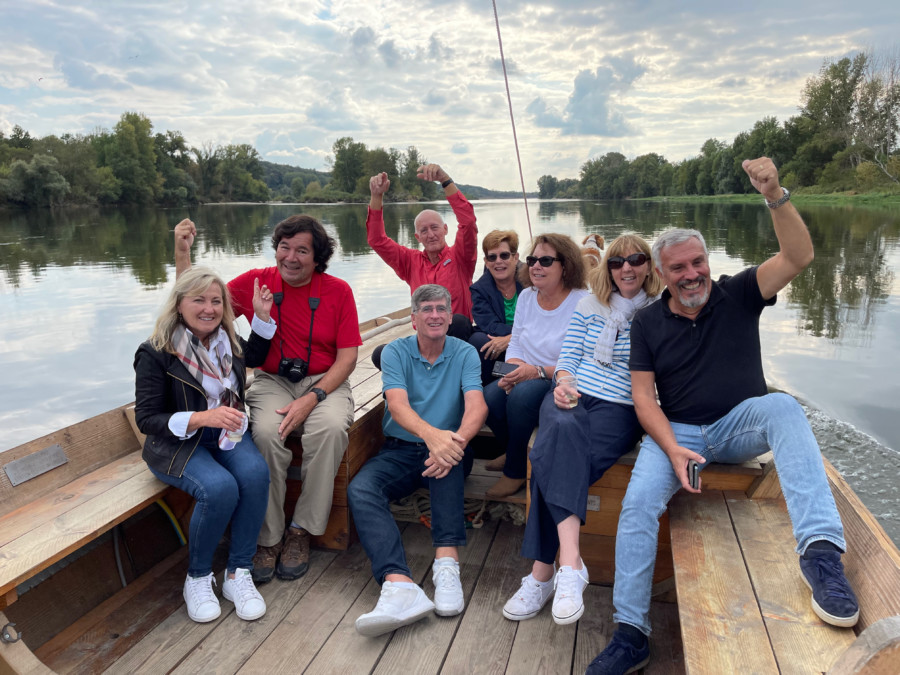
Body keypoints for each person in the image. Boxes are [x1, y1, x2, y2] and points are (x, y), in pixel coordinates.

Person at [587, 158, 860, 674]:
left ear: (707, 261)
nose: (691, 275)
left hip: (739, 427)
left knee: (782, 405)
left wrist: (774, 192)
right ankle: (631, 632)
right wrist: (670, 448)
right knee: (638, 505)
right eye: (679, 268)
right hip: (679, 430)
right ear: (662, 275)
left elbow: (799, 255)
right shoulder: (646, 323)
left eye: (698, 262)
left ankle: (821, 555)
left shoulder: (740, 292)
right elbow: (644, 399)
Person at [175, 215, 362, 585]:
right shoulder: (256, 283)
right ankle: (268, 538)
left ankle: (300, 532)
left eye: (302, 250)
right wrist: (183, 254)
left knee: (329, 430)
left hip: (325, 381)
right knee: (263, 433)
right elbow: (197, 303)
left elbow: (348, 358)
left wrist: (314, 397)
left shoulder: (338, 291)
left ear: (317, 256)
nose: (291, 257)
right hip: (271, 379)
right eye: (284, 247)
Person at [502, 234, 662, 627]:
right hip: (572, 391)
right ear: (607, 268)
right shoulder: (591, 305)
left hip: (622, 406)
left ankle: (543, 572)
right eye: (617, 262)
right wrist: (565, 382)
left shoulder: (659, 312)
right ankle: (570, 565)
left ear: (649, 266)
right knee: (558, 435)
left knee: (550, 457)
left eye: (636, 260)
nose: (626, 268)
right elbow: (569, 355)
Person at [133, 267, 273, 623]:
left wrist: (261, 317)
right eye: (199, 300)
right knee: (219, 487)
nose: (208, 308)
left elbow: (254, 356)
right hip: (175, 443)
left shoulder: (228, 341)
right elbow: (147, 419)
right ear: (180, 304)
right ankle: (197, 577)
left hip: (225, 435)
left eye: (215, 300)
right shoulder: (155, 352)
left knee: (256, 474)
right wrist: (201, 419)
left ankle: (237, 573)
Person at [348, 284, 487, 637]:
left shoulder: (464, 353)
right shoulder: (395, 352)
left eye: (442, 309)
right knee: (361, 489)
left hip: (454, 446)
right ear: (413, 319)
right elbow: (397, 405)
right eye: (427, 309)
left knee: (447, 464)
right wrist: (433, 437)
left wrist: (451, 442)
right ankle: (398, 584)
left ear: (451, 315)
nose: (435, 315)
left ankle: (446, 565)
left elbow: (476, 406)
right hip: (402, 449)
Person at [483, 233, 590, 498]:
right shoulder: (528, 296)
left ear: (565, 266)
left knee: (521, 396)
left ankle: (516, 471)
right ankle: (512, 449)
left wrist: (535, 373)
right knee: (489, 396)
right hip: (524, 369)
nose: (535, 266)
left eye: (545, 260)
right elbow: (516, 341)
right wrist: (515, 368)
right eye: (532, 260)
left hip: (558, 375)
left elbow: (583, 359)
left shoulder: (583, 302)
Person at [366, 163, 477, 342]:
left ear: (445, 229)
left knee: (458, 322)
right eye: (424, 231)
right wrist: (376, 196)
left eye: (435, 228)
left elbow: (468, 222)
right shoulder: (410, 261)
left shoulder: (460, 257)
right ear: (417, 237)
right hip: (425, 341)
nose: (431, 235)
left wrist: (444, 179)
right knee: (380, 354)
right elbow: (377, 240)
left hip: (457, 337)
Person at [468, 229, 525, 385]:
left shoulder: (531, 281)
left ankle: (519, 374)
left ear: (515, 257)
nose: (498, 261)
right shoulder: (479, 289)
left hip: (531, 342)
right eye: (492, 257)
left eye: (504, 255)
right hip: (499, 347)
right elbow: (489, 325)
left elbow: (541, 321)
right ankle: (496, 382)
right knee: (480, 343)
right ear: (486, 262)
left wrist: (513, 338)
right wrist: (508, 339)